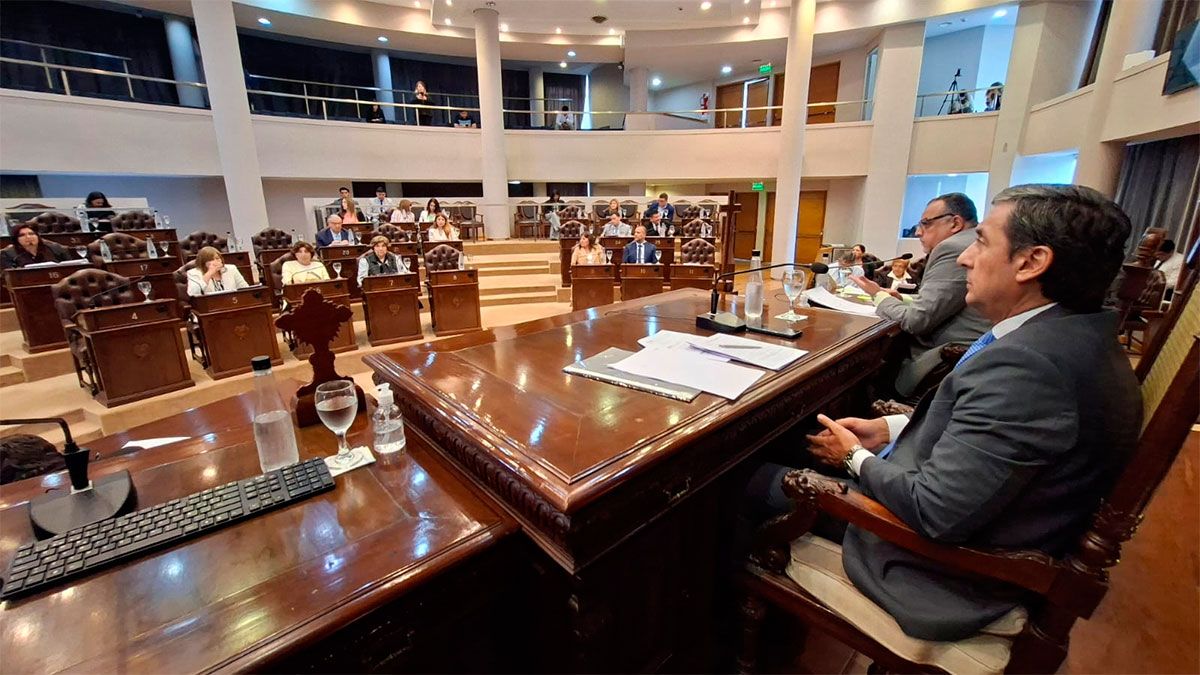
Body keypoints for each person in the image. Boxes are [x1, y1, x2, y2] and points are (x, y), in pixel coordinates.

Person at [781, 184, 1141, 642]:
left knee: (747, 482)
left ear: (1032, 262)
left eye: (982, 242)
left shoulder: (1032, 367)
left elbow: (934, 512)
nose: (966, 258)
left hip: (937, 569)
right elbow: (989, 437)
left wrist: (853, 457)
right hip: (980, 516)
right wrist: (891, 428)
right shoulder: (1069, 336)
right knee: (795, 446)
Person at [849, 192, 990, 396]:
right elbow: (952, 299)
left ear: (955, 223)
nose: (917, 232)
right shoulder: (973, 242)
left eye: (926, 223)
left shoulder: (953, 248)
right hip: (973, 354)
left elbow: (916, 320)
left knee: (861, 373)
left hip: (944, 360)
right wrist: (903, 298)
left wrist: (879, 296)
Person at [186, 246, 250, 296]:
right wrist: (209, 273)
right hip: (210, 306)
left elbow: (245, 289)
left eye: (217, 258)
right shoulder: (194, 273)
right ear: (203, 263)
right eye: (210, 260)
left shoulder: (231, 269)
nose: (215, 262)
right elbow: (193, 294)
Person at [0, 224, 71, 268]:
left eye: (31, 234)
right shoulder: (8, 254)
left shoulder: (54, 248)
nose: (28, 237)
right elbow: (9, 274)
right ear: (16, 239)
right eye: (22, 235)